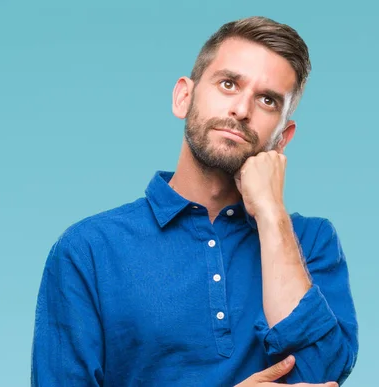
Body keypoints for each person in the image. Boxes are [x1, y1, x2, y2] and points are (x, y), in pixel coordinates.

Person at [31, 16, 358, 387]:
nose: (241, 110)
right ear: (183, 97)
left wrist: (270, 214)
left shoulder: (312, 241)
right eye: (228, 83)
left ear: (284, 137)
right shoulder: (88, 250)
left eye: (267, 100)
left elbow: (322, 375)